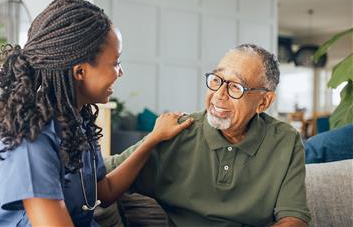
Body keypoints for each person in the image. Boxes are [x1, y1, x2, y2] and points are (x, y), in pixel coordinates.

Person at [0, 0, 193, 227]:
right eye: (115, 62)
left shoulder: (76, 121)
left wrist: (153, 139)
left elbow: (106, 191)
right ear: (80, 71)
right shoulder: (32, 137)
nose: (120, 72)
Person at [106, 44, 311, 226]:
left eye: (235, 87)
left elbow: (293, 219)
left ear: (264, 102)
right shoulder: (175, 132)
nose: (219, 94)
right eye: (216, 80)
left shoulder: (285, 140)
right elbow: (101, 177)